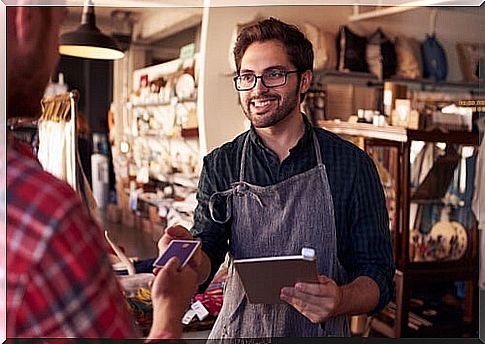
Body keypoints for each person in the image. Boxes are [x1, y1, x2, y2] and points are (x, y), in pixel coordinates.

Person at [158, 17, 395, 339]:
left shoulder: (352, 166)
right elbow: (208, 257)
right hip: (240, 333)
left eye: (274, 74)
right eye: (247, 76)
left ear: (305, 80)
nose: (258, 89)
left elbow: (377, 276)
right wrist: (188, 256)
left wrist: (340, 299)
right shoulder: (221, 164)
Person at [6, 5, 198, 339]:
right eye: (58, 28)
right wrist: (169, 308)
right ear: (26, 19)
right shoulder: (43, 212)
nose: (55, 53)